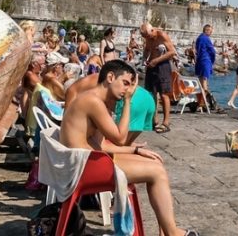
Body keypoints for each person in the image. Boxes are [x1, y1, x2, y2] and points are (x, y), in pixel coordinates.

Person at [60, 60, 199, 236]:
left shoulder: (91, 99)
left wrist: (135, 150)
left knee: (154, 163)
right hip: (83, 168)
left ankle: (168, 231)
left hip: (83, 162)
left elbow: (101, 144)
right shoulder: (93, 101)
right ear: (110, 77)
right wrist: (127, 102)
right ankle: (172, 232)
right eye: (125, 83)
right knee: (157, 173)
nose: (127, 89)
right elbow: (119, 138)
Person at [140, 22, 177, 133]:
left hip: (162, 66)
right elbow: (147, 49)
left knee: (164, 94)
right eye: (145, 37)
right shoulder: (148, 38)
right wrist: (145, 59)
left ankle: (166, 122)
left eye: (148, 35)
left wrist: (157, 60)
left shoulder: (162, 36)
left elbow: (172, 52)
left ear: (152, 30)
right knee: (151, 93)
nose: (147, 38)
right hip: (152, 66)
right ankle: (153, 120)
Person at [194, 24, 216, 93]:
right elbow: (212, 51)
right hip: (206, 60)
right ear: (206, 30)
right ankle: (205, 98)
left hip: (199, 60)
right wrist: (212, 61)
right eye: (210, 32)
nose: (211, 33)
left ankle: (201, 99)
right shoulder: (206, 38)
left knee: (200, 78)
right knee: (204, 79)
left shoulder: (198, 38)